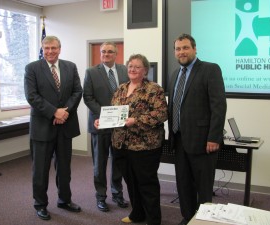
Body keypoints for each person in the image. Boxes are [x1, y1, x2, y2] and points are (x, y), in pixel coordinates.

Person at [95, 54, 168, 225]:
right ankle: (137, 214)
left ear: (145, 70)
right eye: (130, 66)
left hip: (145, 146)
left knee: (147, 184)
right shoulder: (121, 88)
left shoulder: (154, 89)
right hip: (121, 144)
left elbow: (161, 114)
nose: (132, 69)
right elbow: (113, 113)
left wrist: (136, 120)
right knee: (131, 182)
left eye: (137, 66)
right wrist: (101, 121)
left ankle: (153, 219)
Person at [168, 33, 227, 225]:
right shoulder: (175, 74)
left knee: (203, 186)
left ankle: (204, 220)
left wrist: (214, 137)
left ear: (194, 49)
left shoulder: (210, 69)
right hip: (179, 139)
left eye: (185, 48)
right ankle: (188, 217)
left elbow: (218, 106)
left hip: (203, 141)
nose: (181, 52)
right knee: (183, 184)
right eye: (178, 49)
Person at [24, 35, 83, 221]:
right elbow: (32, 96)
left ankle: (64, 200)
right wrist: (54, 112)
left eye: (54, 48)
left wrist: (64, 111)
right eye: (47, 48)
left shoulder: (70, 66)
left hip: (65, 126)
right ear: (42, 49)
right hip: (42, 127)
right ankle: (40, 204)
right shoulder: (32, 68)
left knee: (65, 168)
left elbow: (77, 91)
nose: (50, 51)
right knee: (40, 170)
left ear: (60, 48)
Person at [83, 42, 129, 212]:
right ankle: (101, 197)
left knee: (118, 161)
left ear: (116, 54)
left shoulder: (124, 70)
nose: (106, 54)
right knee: (99, 164)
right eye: (103, 52)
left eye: (110, 51)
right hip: (100, 125)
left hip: (120, 127)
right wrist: (104, 115)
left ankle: (117, 194)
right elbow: (87, 97)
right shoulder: (91, 72)